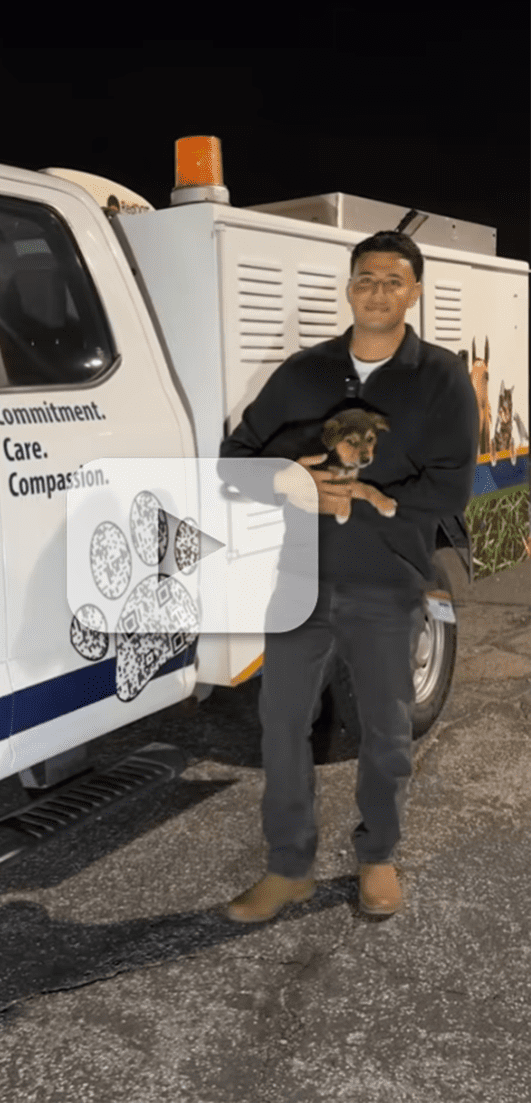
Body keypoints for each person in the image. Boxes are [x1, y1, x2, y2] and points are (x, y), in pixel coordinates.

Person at [218, 230, 479, 921]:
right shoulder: (304, 371)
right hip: (299, 580)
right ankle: (288, 867)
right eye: (366, 278)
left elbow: (451, 490)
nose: (378, 292)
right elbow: (233, 458)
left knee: (388, 730)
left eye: (394, 281)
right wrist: (291, 480)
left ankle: (379, 857)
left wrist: (369, 498)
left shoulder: (442, 378)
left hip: (388, 582)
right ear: (349, 286)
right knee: (280, 726)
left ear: (414, 292)